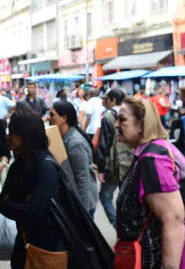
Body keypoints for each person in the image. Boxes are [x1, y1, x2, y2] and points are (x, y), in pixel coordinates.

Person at [115, 98, 185, 268]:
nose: (116, 125)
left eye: (122, 119)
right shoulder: (151, 152)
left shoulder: (152, 159)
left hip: (151, 259)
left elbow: (173, 219)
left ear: (142, 125)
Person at [0, 108, 67, 269]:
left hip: (45, 249)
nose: (8, 136)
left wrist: (12, 203)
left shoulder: (45, 167)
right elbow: (1, 203)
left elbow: (31, 213)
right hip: (23, 243)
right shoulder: (18, 165)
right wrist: (17, 205)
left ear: (26, 136)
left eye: (13, 132)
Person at [50, 101, 98, 217]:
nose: (49, 118)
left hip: (83, 204)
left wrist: (82, 214)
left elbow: (82, 179)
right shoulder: (65, 138)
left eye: (52, 115)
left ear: (64, 118)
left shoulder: (75, 143)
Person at [95, 88, 132, 227]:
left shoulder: (109, 117)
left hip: (113, 165)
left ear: (113, 100)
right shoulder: (130, 114)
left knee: (105, 197)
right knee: (125, 198)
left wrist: (101, 168)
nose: (105, 102)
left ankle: (118, 227)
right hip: (129, 163)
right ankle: (128, 228)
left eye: (107, 99)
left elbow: (103, 145)